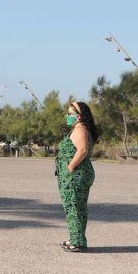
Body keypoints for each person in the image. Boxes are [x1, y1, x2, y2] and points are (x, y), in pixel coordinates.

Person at [57, 101, 98, 252]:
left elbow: (82, 150)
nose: (67, 116)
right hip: (78, 175)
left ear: (79, 116)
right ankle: (76, 238)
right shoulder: (81, 129)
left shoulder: (80, 130)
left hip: (75, 175)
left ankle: (77, 241)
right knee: (77, 207)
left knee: (73, 207)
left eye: (70, 114)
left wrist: (71, 166)